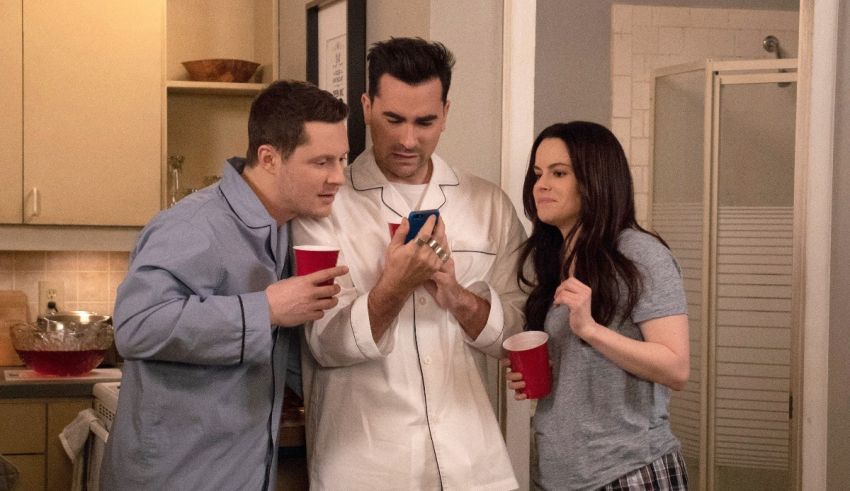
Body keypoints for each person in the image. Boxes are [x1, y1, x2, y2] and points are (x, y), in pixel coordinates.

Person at [293, 37, 526, 489]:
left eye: (425, 122)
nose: (407, 139)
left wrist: (458, 298)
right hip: (366, 465)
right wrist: (394, 287)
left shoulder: (487, 204)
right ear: (366, 105)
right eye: (393, 119)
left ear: (446, 113)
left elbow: (518, 336)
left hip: (473, 464)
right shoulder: (324, 206)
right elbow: (324, 344)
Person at [100, 80, 350, 490]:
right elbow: (136, 326)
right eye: (321, 162)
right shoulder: (194, 225)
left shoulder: (287, 231)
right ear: (269, 158)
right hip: (174, 478)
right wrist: (265, 309)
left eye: (342, 159)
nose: (338, 177)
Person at [505, 121, 690, 490]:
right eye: (538, 173)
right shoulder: (554, 261)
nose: (541, 185)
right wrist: (547, 371)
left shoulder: (639, 254)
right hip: (562, 476)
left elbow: (676, 367)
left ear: (594, 180)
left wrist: (590, 330)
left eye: (559, 173)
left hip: (628, 471)